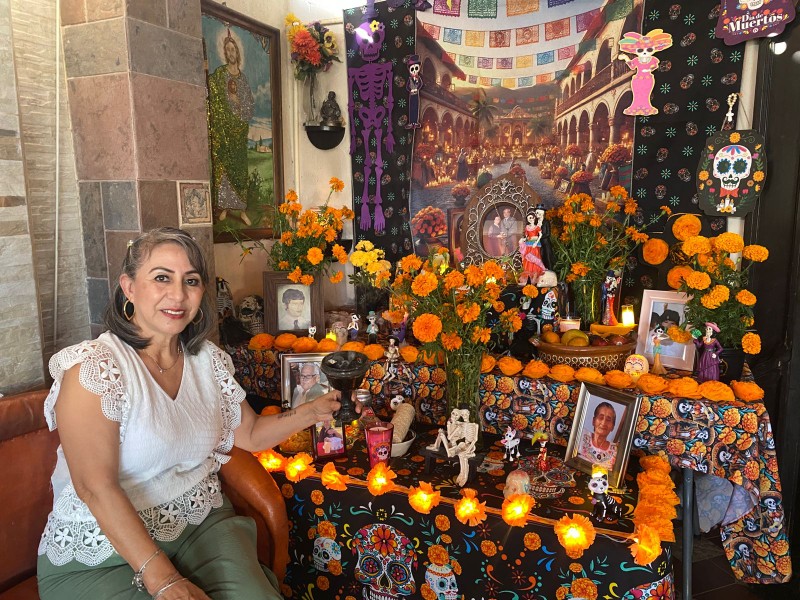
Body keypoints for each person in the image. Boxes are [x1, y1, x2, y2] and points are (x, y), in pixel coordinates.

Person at [36, 227, 343, 600]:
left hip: (196, 523)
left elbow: (250, 434)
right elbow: (94, 487)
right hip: (100, 551)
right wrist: (164, 579)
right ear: (129, 287)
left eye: (191, 281)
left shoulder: (207, 360)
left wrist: (312, 411)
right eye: (161, 278)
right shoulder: (95, 368)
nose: (178, 294)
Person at [578, 402, 619, 469]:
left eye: (608, 420)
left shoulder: (616, 450)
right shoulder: (581, 434)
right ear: (593, 421)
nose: (604, 423)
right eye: (600, 418)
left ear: (612, 427)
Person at [518, 212, 546, 285]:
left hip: (535, 245)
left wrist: (536, 242)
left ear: (534, 218)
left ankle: (535, 275)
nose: (530, 219)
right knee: (528, 259)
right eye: (528, 218)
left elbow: (540, 235)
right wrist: (523, 240)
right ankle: (528, 276)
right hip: (529, 244)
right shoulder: (527, 227)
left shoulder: (537, 227)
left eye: (531, 218)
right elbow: (527, 237)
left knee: (535, 257)